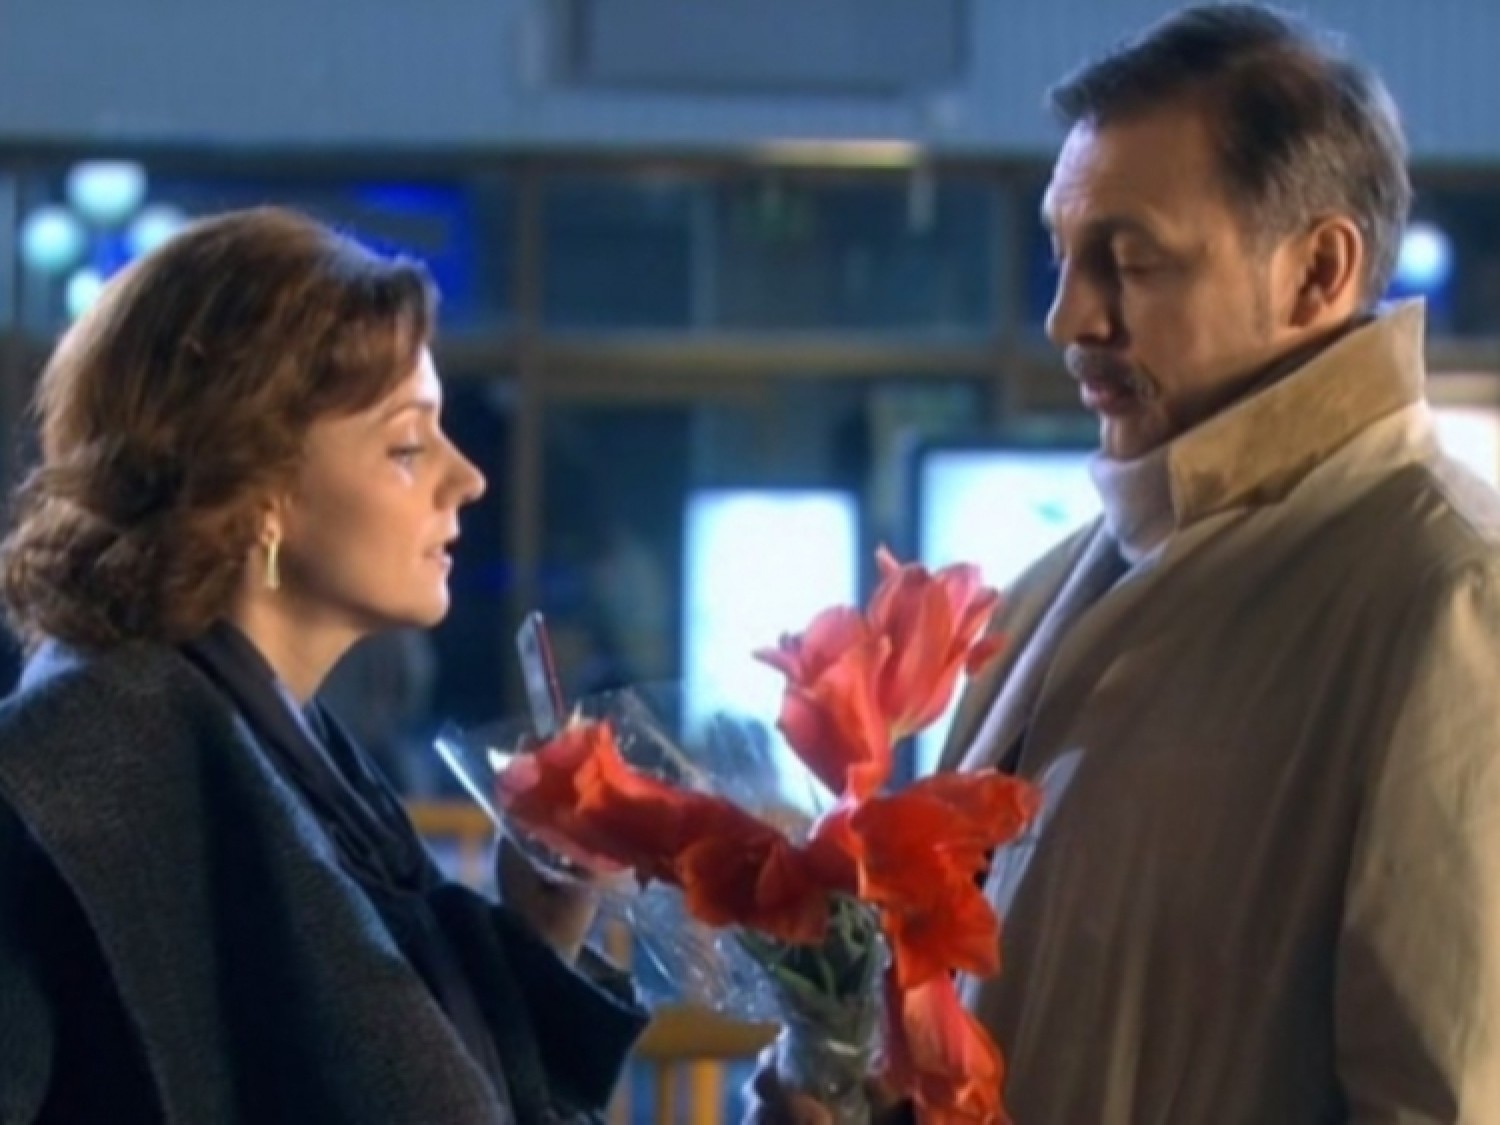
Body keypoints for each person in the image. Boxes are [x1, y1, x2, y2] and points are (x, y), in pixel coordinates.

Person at [752, 5, 1500, 1123]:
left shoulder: (1449, 600)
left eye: (1132, 261)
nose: (1068, 319)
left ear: (1318, 270)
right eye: (1062, 256)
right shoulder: (1064, 580)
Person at [0, 207, 647, 1123]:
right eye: (407, 445)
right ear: (259, 488)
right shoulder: (90, 759)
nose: (468, 478)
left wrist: (540, 930)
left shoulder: (299, 758)